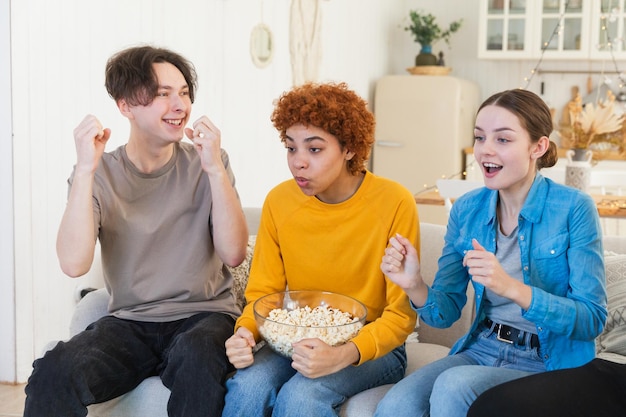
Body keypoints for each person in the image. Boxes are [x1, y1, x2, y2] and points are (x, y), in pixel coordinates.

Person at [23, 45, 248, 417]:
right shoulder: (99, 173)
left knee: (197, 361)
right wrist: (84, 170)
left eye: (184, 93)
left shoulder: (209, 163)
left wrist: (214, 170)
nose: (180, 106)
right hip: (131, 323)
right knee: (53, 372)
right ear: (125, 104)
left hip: (204, 316)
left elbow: (234, 253)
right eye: (163, 95)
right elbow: (73, 263)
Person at [374, 88, 607, 417]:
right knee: (396, 406)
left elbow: (591, 321)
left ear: (537, 147)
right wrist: (413, 284)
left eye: (503, 139)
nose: (485, 151)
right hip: (482, 348)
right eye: (480, 138)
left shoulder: (573, 208)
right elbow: (445, 314)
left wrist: (510, 287)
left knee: (454, 386)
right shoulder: (467, 210)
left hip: (550, 360)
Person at [222, 82, 419, 417]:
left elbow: (400, 315)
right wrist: (244, 333)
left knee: (301, 397)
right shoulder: (279, 202)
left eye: (314, 150)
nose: (298, 162)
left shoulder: (394, 201)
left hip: (372, 347)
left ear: (349, 149)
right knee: (247, 386)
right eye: (291, 148)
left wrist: (341, 354)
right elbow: (264, 293)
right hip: (293, 338)